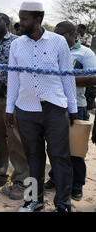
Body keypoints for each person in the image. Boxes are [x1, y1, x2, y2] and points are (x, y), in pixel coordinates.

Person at [6, 2, 77, 212]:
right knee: (32, 157)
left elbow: (67, 76)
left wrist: (72, 107)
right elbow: (13, 77)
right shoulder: (17, 45)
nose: (21, 22)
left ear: (38, 19)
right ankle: (33, 201)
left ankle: (63, 203)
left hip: (54, 108)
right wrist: (9, 108)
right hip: (26, 109)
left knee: (60, 157)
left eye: (25, 18)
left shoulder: (58, 42)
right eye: (20, 17)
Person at [43, 21, 96, 201]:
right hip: (54, 105)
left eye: (61, 34)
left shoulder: (85, 53)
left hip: (77, 106)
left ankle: (76, 185)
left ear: (72, 34)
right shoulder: (53, 50)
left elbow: (92, 78)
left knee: (75, 149)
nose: (56, 37)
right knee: (55, 146)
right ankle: (55, 178)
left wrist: (63, 80)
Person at [0, 13, 29, 200]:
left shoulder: (19, 43)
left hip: (14, 98)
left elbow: (24, 70)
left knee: (16, 139)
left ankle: (20, 181)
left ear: (7, 23)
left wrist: (7, 85)